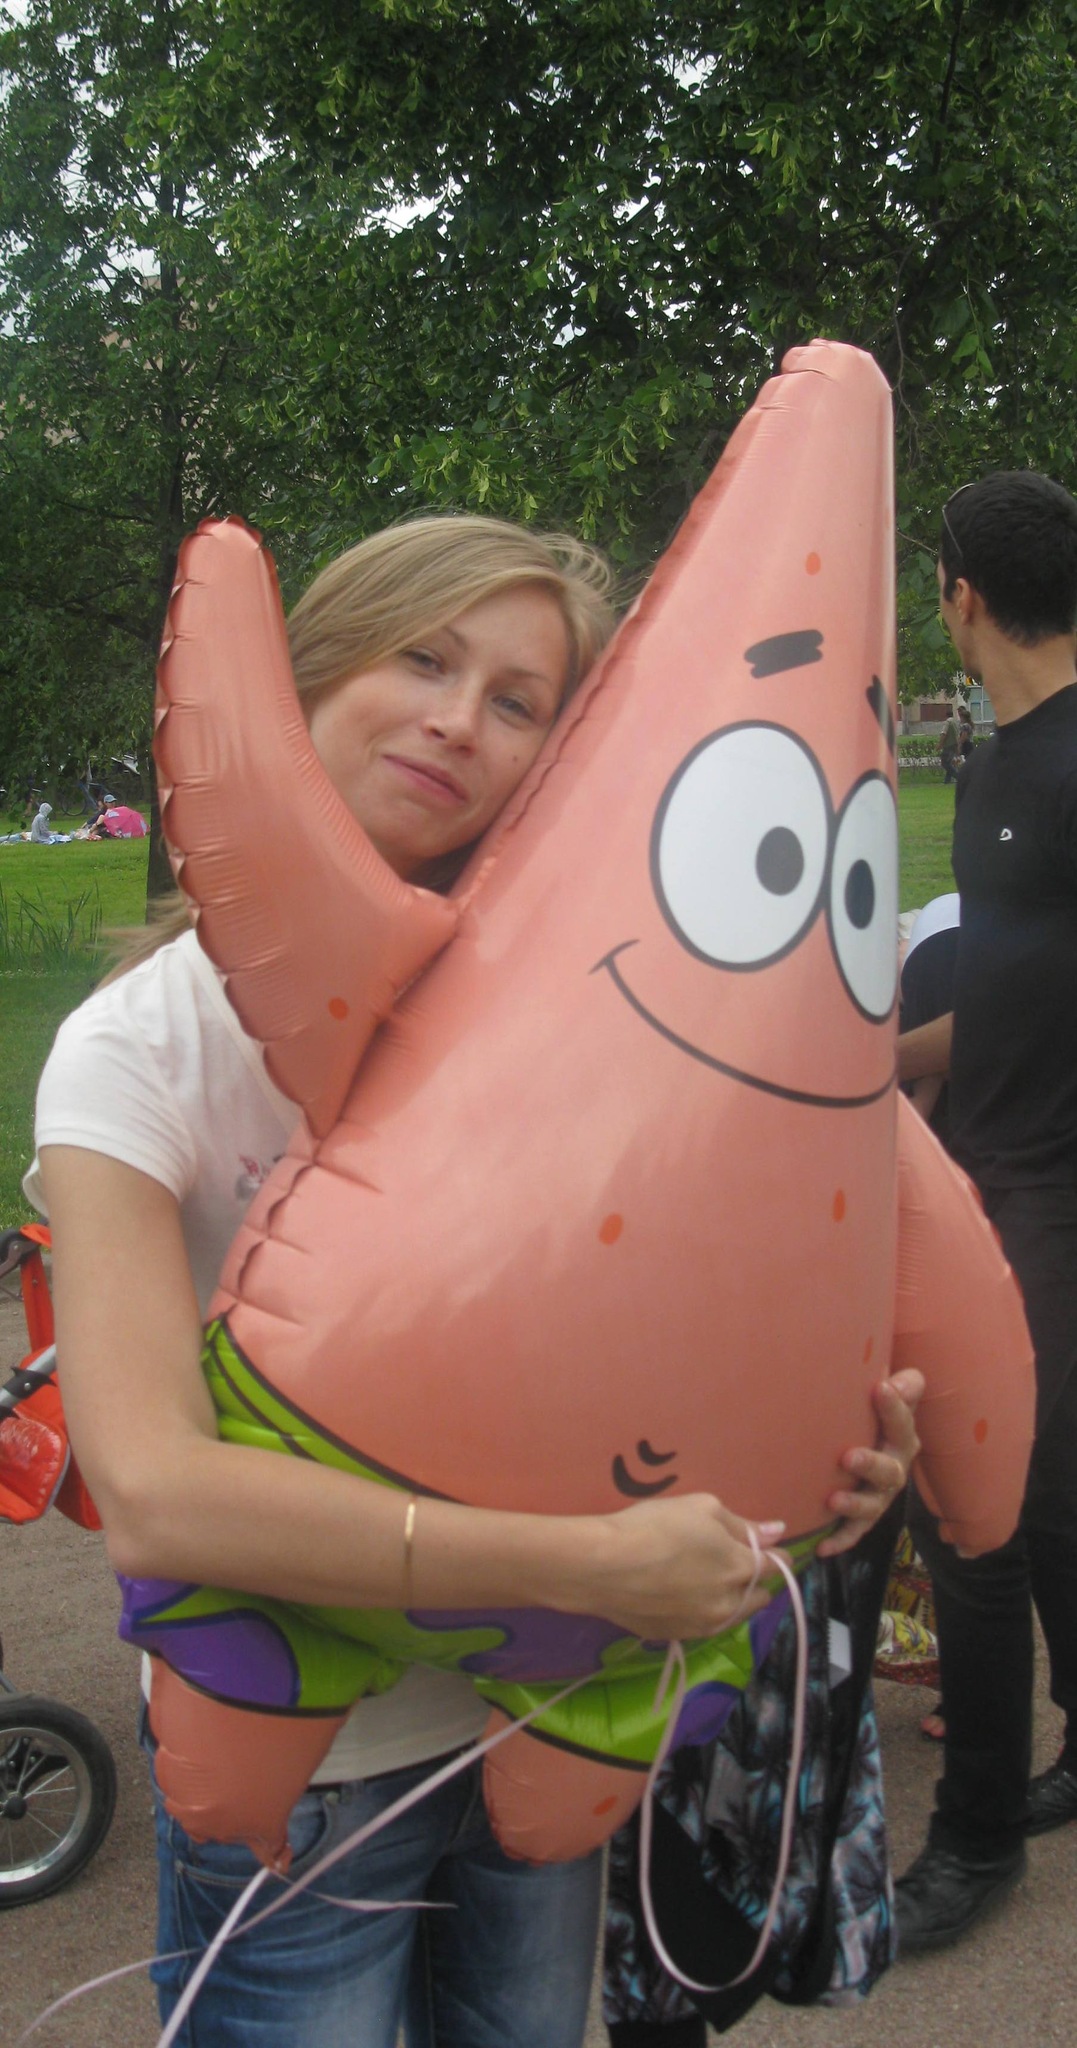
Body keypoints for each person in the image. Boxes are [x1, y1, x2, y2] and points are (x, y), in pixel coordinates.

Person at [28, 513, 921, 2048]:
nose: (459, 721)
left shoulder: (610, 1029)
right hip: (303, 1771)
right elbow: (156, 1495)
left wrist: (825, 1458)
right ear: (311, 675)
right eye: (423, 660)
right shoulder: (135, 1053)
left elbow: (674, 1330)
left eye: (518, 702)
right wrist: (584, 1566)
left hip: (550, 1724)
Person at [896, 471, 1077, 1955]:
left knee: (976, 1503)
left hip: (1053, 1195)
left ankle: (975, 1838)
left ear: (959, 593)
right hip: (993, 1170)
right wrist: (881, 1061)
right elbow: (1016, 992)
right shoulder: (997, 765)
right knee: (1052, 1487)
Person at [939, 705, 961, 784]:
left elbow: (944, 733)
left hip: (948, 745)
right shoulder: (955, 722)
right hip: (954, 745)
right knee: (949, 763)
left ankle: (959, 777)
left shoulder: (947, 722)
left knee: (945, 763)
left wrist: (940, 744)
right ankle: (947, 781)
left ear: (946, 715)